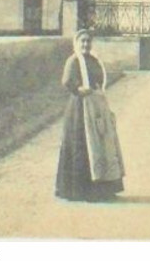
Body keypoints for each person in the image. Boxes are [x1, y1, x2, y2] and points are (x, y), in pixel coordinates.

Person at [55, 29, 125, 202]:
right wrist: (79, 89)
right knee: (83, 146)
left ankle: (103, 189)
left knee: (102, 144)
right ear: (77, 43)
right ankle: (81, 191)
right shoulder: (73, 61)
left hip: (96, 106)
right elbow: (66, 82)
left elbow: (100, 81)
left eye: (88, 41)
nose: (85, 44)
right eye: (82, 41)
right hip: (79, 109)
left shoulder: (94, 60)